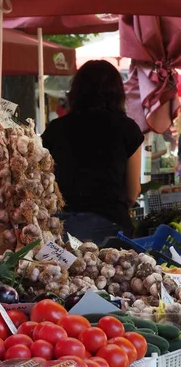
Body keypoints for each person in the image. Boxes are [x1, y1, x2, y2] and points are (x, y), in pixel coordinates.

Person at [41, 60, 144, 243]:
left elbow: (43, 180)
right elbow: (132, 192)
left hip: (61, 227)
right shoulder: (127, 129)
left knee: (64, 273)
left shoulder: (56, 129)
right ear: (117, 93)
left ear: (76, 92)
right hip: (110, 226)